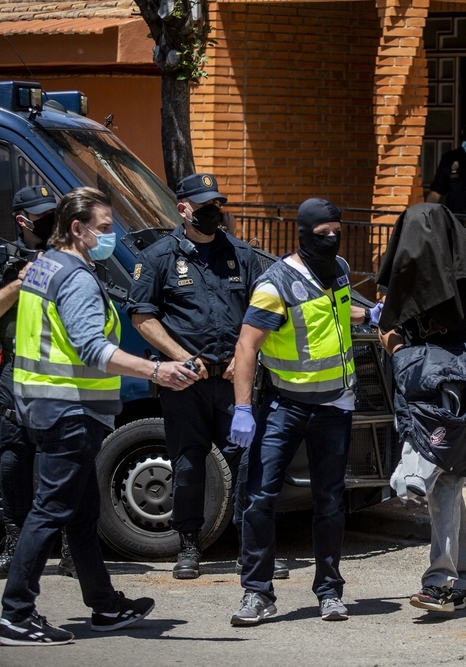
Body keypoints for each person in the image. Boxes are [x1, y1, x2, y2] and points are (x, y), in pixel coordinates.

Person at [0, 187, 195, 646]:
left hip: (47, 406)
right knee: (50, 511)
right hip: (70, 410)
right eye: (105, 228)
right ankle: (15, 613)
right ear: (77, 229)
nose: (111, 235)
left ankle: (105, 606)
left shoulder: (44, 267)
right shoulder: (77, 278)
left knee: (81, 514)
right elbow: (92, 348)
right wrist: (156, 369)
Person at [227, 198, 366, 626]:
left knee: (329, 501)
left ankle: (329, 591)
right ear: (304, 235)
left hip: (334, 406)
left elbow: (334, 314)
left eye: (336, 231)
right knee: (260, 498)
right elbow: (247, 345)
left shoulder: (339, 269)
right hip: (284, 405)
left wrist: (367, 313)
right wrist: (243, 408)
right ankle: (257, 592)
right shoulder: (275, 284)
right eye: (322, 233)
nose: (332, 239)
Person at [128, 173, 267, 580]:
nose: (212, 213)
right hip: (185, 381)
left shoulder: (241, 254)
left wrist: (243, 357)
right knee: (188, 465)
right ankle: (188, 545)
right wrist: (182, 357)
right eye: (204, 206)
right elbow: (142, 316)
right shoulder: (158, 258)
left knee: (247, 461)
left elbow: (260, 313)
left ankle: (249, 545)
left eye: (216, 206)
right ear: (183, 208)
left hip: (231, 378)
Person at [375, 203, 466, 614]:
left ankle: (439, 582)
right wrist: (403, 356)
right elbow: (387, 326)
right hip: (415, 383)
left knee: (443, 481)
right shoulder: (401, 267)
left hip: (458, 388)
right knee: (449, 482)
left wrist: (458, 365)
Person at [0, 187, 78, 578]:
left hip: (62, 372)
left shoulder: (70, 258)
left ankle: (70, 544)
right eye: (42, 215)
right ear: (23, 221)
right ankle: (15, 537)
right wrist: (19, 283)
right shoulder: (7, 258)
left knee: (65, 456)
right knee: (14, 456)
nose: (49, 221)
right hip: (16, 370)